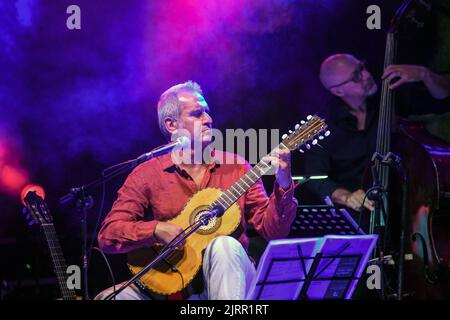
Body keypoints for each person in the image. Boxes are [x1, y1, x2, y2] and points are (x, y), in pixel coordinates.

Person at [94, 81, 298, 300]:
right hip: (176, 283)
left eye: (208, 112)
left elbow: (274, 232)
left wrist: (284, 184)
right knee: (111, 298)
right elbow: (108, 236)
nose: (208, 120)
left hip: (233, 280)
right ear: (172, 126)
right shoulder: (146, 173)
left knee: (224, 245)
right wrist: (155, 230)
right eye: (197, 114)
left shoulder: (237, 166)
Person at [303, 53, 450, 217]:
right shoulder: (321, 125)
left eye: (362, 67)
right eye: (356, 76)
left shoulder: (390, 94)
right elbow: (314, 177)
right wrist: (345, 196)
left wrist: (425, 74)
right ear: (339, 91)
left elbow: (444, 101)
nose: (366, 75)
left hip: (408, 208)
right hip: (361, 219)